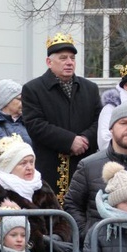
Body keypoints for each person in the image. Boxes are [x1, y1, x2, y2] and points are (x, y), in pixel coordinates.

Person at [64, 102, 127, 243]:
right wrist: (89, 235)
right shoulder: (88, 166)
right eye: (124, 123)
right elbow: (72, 205)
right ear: (111, 128)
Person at [22, 32, 102, 204]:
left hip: (83, 164)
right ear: (49, 62)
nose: (69, 62)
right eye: (63, 58)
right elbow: (35, 125)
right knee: (50, 218)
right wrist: (69, 141)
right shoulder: (33, 89)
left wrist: (85, 140)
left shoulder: (90, 88)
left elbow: (99, 121)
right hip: (49, 166)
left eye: (72, 58)